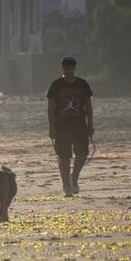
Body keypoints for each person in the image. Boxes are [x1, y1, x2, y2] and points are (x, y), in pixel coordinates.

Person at [47, 56, 94, 197]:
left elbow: (88, 106)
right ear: (62, 68)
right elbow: (50, 108)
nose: (69, 70)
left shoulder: (82, 84)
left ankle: (74, 177)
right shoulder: (56, 85)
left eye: (71, 68)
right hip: (61, 127)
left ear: (75, 68)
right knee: (64, 157)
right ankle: (66, 185)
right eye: (66, 68)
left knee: (82, 154)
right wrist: (52, 127)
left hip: (80, 126)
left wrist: (90, 124)